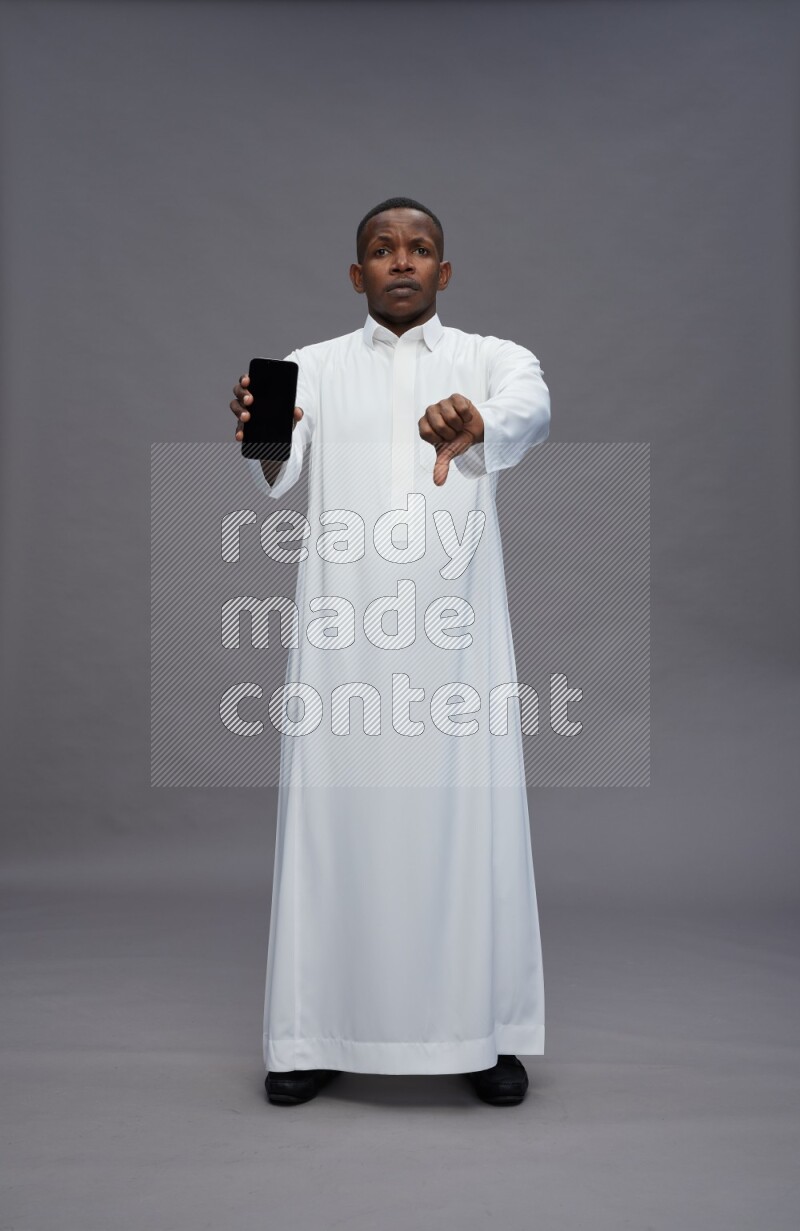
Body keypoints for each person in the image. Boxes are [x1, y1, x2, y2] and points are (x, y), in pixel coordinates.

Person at [230, 197, 550, 1107]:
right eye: (381, 249)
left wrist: (478, 423)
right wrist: (262, 431)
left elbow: (533, 405)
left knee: (469, 827)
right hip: (345, 645)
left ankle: (482, 1031)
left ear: (444, 273)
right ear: (356, 273)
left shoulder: (490, 359)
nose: (400, 260)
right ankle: (314, 1031)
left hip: (455, 648)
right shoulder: (311, 367)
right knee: (336, 828)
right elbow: (274, 465)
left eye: (419, 249)